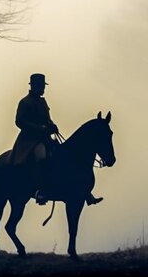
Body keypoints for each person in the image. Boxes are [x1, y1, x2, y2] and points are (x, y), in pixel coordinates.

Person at [10, 73, 103, 206]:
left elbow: (47, 119)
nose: (43, 89)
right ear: (35, 86)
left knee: (64, 154)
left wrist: (51, 125)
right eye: (41, 86)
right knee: (41, 156)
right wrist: (41, 128)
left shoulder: (42, 102)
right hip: (30, 141)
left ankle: (82, 189)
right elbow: (19, 121)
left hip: (45, 138)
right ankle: (40, 190)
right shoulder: (25, 102)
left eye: (43, 86)